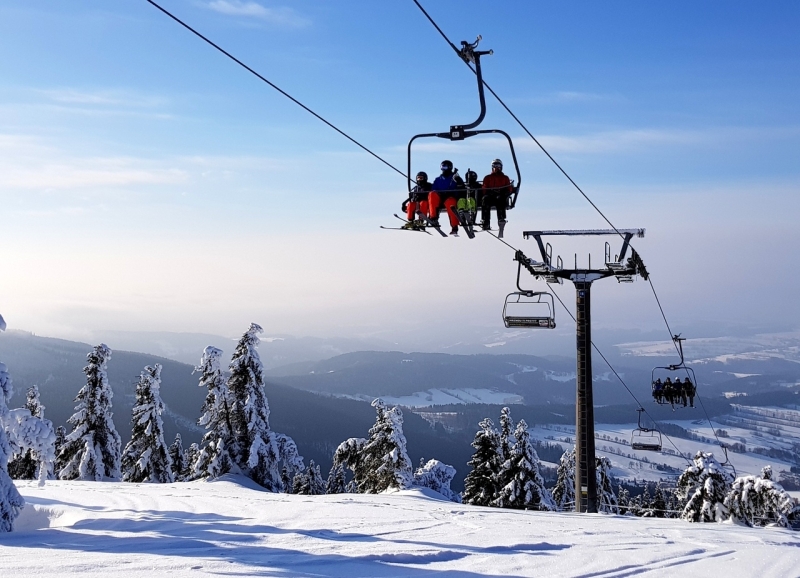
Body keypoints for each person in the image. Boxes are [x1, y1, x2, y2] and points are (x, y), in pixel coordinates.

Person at [429, 159, 465, 235]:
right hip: (440, 198)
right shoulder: (438, 179)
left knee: (450, 204)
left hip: (450, 196)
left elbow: (461, 187)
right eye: (442, 167)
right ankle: (433, 217)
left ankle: (454, 226)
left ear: (449, 167)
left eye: (445, 167)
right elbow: (434, 189)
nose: (443, 169)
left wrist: (458, 181)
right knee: (432, 194)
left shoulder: (454, 178)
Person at [480, 158, 513, 231]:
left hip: (500, 196)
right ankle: (486, 222)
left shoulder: (505, 178)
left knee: (500, 199)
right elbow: (484, 188)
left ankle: (501, 219)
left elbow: (509, 188)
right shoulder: (488, 178)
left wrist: (506, 192)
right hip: (490, 197)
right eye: (495, 166)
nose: (496, 168)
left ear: (501, 167)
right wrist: (488, 192)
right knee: (485, 199)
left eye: (498, 166)